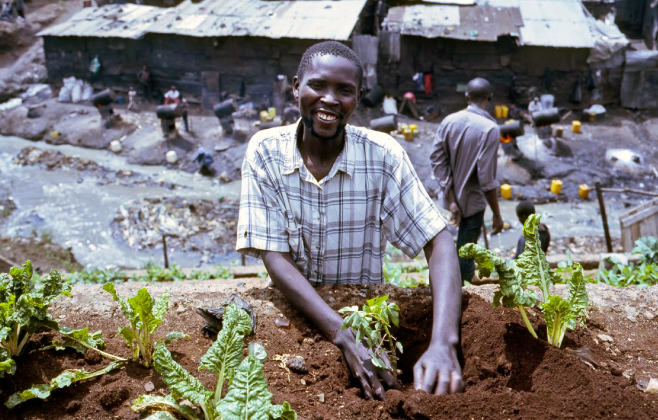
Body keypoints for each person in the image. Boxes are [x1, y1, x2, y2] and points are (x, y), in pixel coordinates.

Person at [236, 41, 464, 400]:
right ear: (296, 87)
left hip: (365, 316)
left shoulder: (383, 156)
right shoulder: (265, 151)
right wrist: (341, 332)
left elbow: (439, 241)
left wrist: (442, 344)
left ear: (358, 98)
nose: (329, 99)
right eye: (318, 85)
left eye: (344, 91)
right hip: (298, 319)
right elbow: (274, 255)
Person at [430, 77, 504, 283]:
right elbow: (486, 179)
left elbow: (437, 160)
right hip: (473, 200)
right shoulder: (490, 129)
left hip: (452, 197)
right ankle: (463, 281)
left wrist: (451, 196)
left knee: (453, 243)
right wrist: (497, 215)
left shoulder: (449, 121)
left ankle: (456, 278)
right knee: (466, 246)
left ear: (466, 97)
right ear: (490, 97)